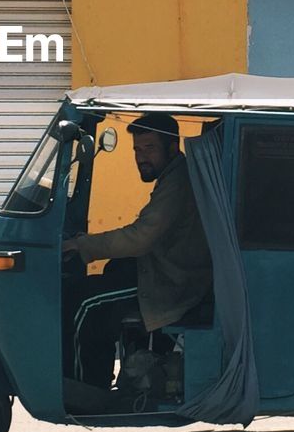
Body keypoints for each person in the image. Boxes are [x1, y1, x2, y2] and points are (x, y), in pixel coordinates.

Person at [61, 112, 213, 389]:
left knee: (83, 303)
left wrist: (83, 245)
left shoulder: (179, 181)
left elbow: (141, 237)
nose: (141, 157)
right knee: (108, 274)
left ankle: (88, 390)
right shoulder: (173, 175)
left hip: (174, 282)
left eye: (150, 148)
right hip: (165, 271)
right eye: (137, 149)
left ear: (172, 146)